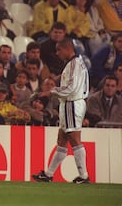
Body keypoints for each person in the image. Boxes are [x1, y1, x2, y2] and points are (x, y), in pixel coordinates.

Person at [32, 37, 90, 184]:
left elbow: (71, 88)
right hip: (68, 104)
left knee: (74, 139)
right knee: (62, 139)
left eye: (59, 49)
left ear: (68, 49)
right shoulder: (73, 64)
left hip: (72, 103)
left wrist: (51, 92)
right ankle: (48, 174)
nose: (57, 53)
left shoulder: (75, 64)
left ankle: (84, 176)